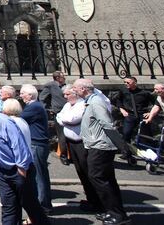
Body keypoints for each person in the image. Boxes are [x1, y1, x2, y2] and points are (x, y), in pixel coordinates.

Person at [0, 95, 49, 225]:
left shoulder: (5, 123)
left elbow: (19, 146)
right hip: (3, 171)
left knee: (30, 205)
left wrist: (21, 170)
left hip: (18, 170)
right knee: (8, 206)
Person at [74, 79, 131, 225]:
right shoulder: (91, 101)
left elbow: (107, 124)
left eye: (76, 88)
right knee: (105, 179)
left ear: (83, 89)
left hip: (101, 147)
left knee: (99, 178)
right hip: (95, 146)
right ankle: (113, 211)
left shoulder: (96, 102)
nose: (74, 91)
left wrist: (122, 146)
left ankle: (118, 215)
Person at [56, 86, 103, 214]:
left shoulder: (82, 105)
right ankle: (90, 199)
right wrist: (65, 121)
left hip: (82, 143)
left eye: (67, 94)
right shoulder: (67, 106)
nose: (65, 97)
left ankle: (98, 202)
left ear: (75, 94)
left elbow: (71, 119)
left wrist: (65, 121)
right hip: (72, 143)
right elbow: (59, 117)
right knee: (81, 172)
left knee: (89, 172)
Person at [20, 84, 52, 214]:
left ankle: (43, 206)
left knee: (39, 176)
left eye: (23, 93)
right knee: (40, 174)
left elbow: (17, 118)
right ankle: (43, 204)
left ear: (30, 95)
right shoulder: (34, 106)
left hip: (37, 144)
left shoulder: (33, 107)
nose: (21, 95)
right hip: (38, 144)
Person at [116, 76, 153, 160]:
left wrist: (150, 112)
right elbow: (118, 100)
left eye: (128, 82)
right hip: (130, 115)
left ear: (134, 83)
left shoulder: (144, 93)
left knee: (145, 134)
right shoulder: (123, 91)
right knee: (126, 133)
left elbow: (155, 103)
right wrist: (122, 110)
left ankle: (148, 154)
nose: (126, 84)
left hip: (142, 115)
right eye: (124, 82)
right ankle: (126, 153)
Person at [40, 71, 68, 165]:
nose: (65, 78)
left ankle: (71, 154)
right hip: (59, 112)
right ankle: (63, 156)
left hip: (69, 111)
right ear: (57, 78)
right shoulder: (51, 86)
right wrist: (47, 109)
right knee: (62, 135)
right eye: (63, 77)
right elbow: (42, 98)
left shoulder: (66, 86)